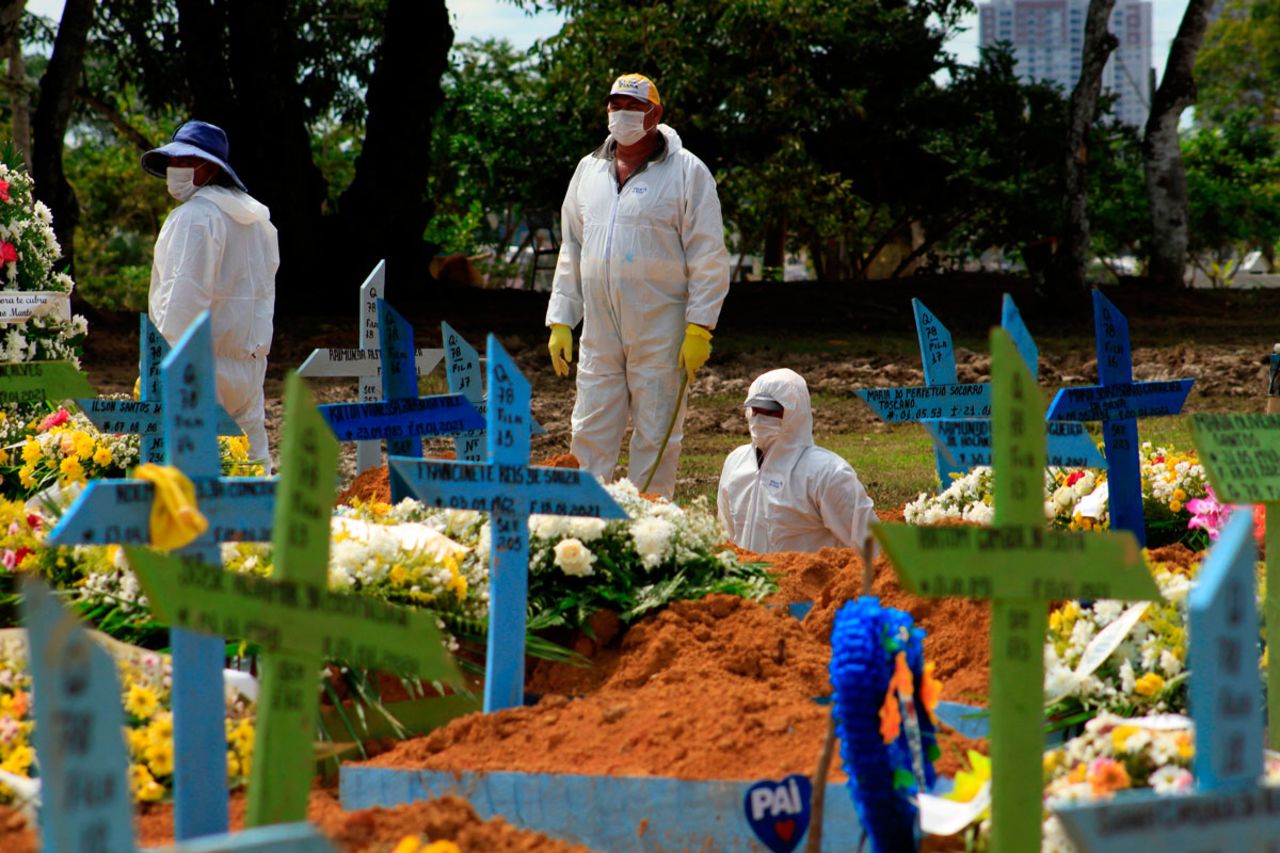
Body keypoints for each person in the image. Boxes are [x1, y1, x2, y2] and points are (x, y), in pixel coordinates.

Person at [546, 73, 730, 498]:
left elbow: (708, 255)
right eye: (615, 106)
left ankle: (649, 529)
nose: (622, 114)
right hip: (599, 330)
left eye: (632, 107)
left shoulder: (687, 172)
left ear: (655, 114)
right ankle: (583, 525)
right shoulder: (588, 170)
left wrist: (700, 326)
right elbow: (572, 247)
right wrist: (560, 319)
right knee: (589, 429)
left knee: (656, 435)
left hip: (662, 330)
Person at [142, 120, 278, 471]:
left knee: (190, 479)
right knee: (251, 473)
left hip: (198, 366)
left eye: (186, 162)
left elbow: (181, 303)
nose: (176, 170)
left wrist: (160, 369)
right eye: (174, 162)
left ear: (210, 168)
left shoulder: (194, 218)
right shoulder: (260, 222)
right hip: (248, 366)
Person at [717, 369, 879, 553]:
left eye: (771, 411)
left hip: (803, 580)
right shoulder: (736, 463)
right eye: (755, 410)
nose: (760, 419)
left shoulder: (828, 473)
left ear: (795, 414)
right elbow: (726, 534)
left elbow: (872, 545)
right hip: (746, 580)